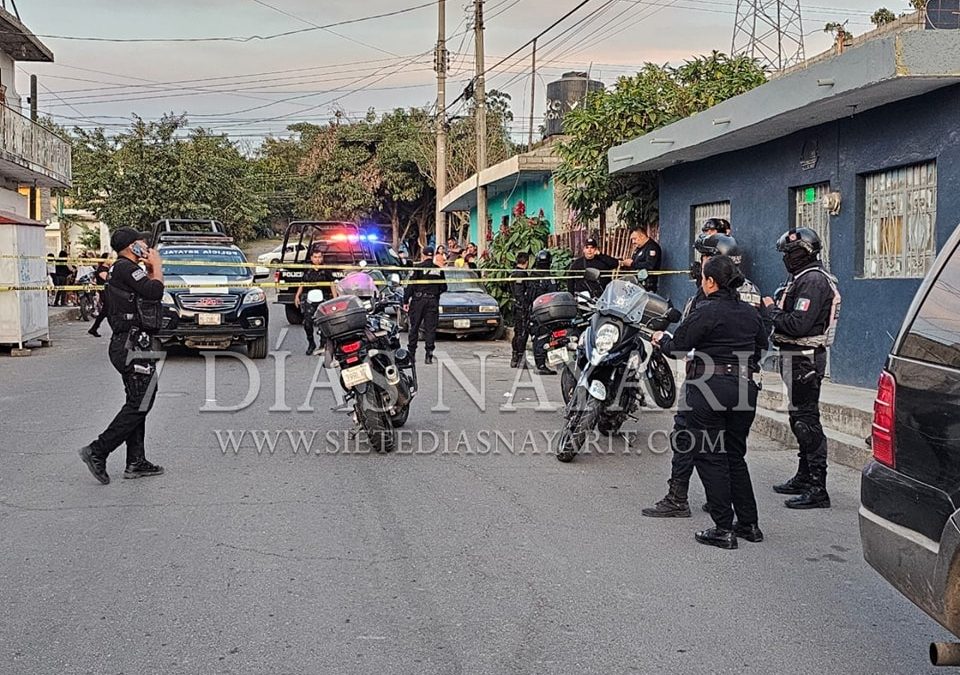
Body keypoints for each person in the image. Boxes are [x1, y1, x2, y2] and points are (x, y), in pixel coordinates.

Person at [642, 233, 766, 519]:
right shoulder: (748, 303)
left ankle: (717, 522)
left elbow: (682, 342)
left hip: (708, 383)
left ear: (712, 271)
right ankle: (748, 524)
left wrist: (662, 340)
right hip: (744, 384)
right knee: (733, 456)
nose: (700, 265)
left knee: (705, 452)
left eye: (704, 258)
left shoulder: (708, 301)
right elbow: (761, 338)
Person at [78, 228, 165, 485]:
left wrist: (151, 270)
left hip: (128, 343)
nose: (146, 245)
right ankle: (98, 450)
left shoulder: (123, 268)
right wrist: (157, 265)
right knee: (141, 402)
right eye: (141, 242)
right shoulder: (126, 267)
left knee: (137, 401)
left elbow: (146, 289)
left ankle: (136, 461)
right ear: (131, 246)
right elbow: (154, 292)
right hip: (131, 345)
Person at [763, 227, 841, 510]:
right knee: (798, 419)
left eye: (790, 253)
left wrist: (771, 310)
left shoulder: (813, 282)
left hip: (804, 359)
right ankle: (804, 475)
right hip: (794, 358)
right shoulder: (801, 277)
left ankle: (818, 489)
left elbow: (798, 324)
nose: (786, 258)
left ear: (802, 253)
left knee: (807, 422)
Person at [403, 246, 447, 365]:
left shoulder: (417, 268)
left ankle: (411, 354)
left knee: (414, 327)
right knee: (430, 329)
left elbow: (410, 286)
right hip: (432, 301)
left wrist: (405, 301)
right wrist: (434, 294)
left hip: (418, 301)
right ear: (432, 255)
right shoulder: (438, 270)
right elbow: (444, 287)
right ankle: (429, 355)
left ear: (423, 255)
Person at [295, 247, 337, 355]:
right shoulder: (308, 269)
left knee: (324, 322)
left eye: (319, 257)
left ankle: (323, 344)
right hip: (309, 299)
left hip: (323, 299)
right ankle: (311, 343)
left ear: (322, 258)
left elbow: (332, 284)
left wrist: (335, 298)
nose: (317, 259)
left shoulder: (326, 270)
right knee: (307, 323)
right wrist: (297, 296)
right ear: (311, 258)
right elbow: (302, 283)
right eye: (315, 257)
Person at [529, 249, 558, 375]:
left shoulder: (533, 276)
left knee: (541, 336)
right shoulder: (549, 278)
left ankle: (543, 362)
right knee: (542, 336)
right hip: (546, 310)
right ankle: (540, 365)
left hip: (538, 310)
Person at [619, 225, 662, 292]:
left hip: (647, 285)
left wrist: (632, 264)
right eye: (632, 239)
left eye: (634, 239)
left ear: (642, 236)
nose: (633, 242)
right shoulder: (640, 248)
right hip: (637, 283)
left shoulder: (652, 247)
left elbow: (650, 265)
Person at [509, 252, 533, 368]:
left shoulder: (513, 273)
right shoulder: (521, 274)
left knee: (518, 332)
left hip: (515, 306)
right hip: (520, 307)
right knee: (522, 333)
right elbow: (519, 293)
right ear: (527, 262)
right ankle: (519, 358)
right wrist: (525, 306)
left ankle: (515, 357)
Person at [88, 252, 113, 337]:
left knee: (105, 312)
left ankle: (94, 328)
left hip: (109, 292)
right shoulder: (102, 269)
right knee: (108, 311)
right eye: (110, 257)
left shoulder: (108, 269)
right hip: (105, 293)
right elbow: (108, 279)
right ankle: (116, 331)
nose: (112, 259)